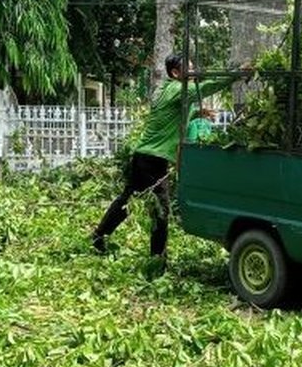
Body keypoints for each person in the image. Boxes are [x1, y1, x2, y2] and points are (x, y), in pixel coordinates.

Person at [91, 54, 234, 260]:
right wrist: (233, 76)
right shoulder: (177, 89)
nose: (194, 73)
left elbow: (173, 116)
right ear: (176, 73)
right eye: (190, 69)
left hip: (144, 155)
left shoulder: (168, 90)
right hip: (153, 160)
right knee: (161, 209)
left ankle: (98, 236)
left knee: (128, 199)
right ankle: (157, 258)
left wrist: (196, 113)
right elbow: (206, 88)